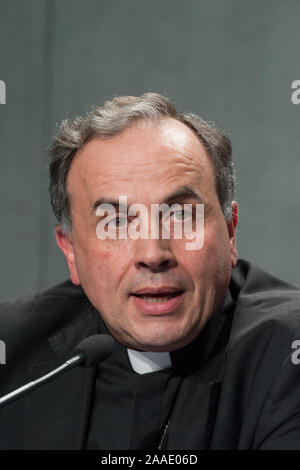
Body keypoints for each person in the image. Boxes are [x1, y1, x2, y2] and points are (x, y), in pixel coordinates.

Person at [0, 93, 300, 450]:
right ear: (71, 251)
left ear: (230, 232)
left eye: (181, 215)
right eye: (115, 222)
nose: (153, 253)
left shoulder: (289, 354)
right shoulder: (12, 352)